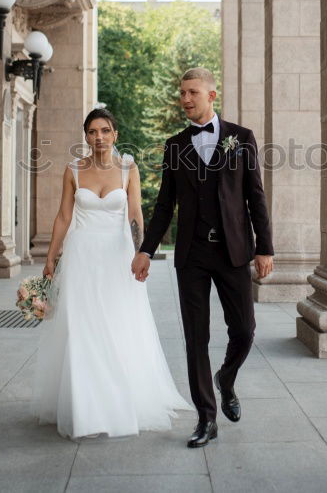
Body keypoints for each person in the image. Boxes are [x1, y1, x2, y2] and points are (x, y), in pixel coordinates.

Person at [132, 67, 274, 448]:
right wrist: (146, 249)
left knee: (244, 330)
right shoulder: (175, 145)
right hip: (192, 254)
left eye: (192, 92)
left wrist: (264, 247)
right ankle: (206, 418)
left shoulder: (241, 139)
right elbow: (164, 205)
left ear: (212, 95)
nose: (185, 99)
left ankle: (226, 378)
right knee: (196, 337)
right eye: (182, 92)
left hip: (233, 251)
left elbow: (255, 196)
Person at [31, 108, 191, 439]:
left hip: (118, 257)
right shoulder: (73, 170)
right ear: (86, 136)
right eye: (92, 131)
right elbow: (63, 217)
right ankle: (85, 407)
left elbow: (135, 214)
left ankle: (122, 398)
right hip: (81, 257)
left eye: (105, 130)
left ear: (115, 134)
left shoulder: (127, 168)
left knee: (118, 324)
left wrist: (140, 252)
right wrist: (50, 257)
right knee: (83, 328)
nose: (99, 137)